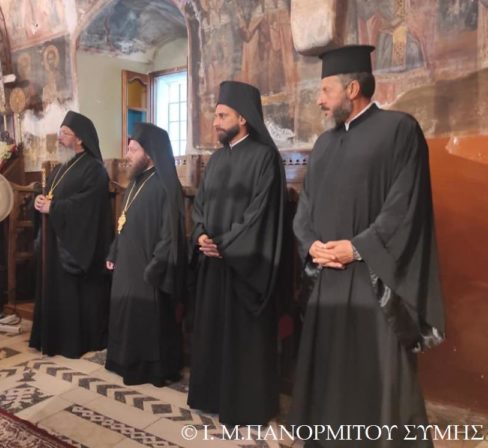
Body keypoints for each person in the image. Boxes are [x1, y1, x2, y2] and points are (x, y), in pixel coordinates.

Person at [290, 45, 445, 447]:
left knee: (376, 377)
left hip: (373, 280)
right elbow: (305, 207)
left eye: (325, 90)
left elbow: (405, 207)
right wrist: (311, 245)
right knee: (328, 373)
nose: (319, 100)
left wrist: (357, 248)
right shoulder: (324, 144)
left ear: (353, 88)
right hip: (327, 279)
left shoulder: (399, 130)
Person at [187, 81, 285, 425]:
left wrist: (225, 244)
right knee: (212, 333)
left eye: (222, 115)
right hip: (213, 266)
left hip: (244, 269)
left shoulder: (265, 157)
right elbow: (200, 206)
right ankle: (211, 396)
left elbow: (260, 214)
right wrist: (200, 234)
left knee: (242, 339)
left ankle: (245, 406)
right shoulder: (216, 160)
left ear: (243, 118)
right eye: (215, 115)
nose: (215, 122)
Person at [105, 123, 186, 387]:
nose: (127, 155)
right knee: (125, 314)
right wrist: (114, 250)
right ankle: (122, 361)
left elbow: (170, 233)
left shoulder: (165, 184)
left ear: (149, 153)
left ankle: (149, 369)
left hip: (149, 269)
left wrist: (156, 266)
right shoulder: (135, 182)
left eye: (133, 150)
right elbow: (123, 220)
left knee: (147, 320)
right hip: (127, 264)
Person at [30, 111, 113, 359]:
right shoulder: (60, 168)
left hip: (76, 245)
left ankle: (74, 342)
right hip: (55, 242)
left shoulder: (94, 169)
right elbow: (49, 194)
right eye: (60, 132)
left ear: (80, 139)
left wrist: (54, 208)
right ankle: (52, 338)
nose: (59, 138)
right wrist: (39, 201)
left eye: (65, 133)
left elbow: (88, 205)